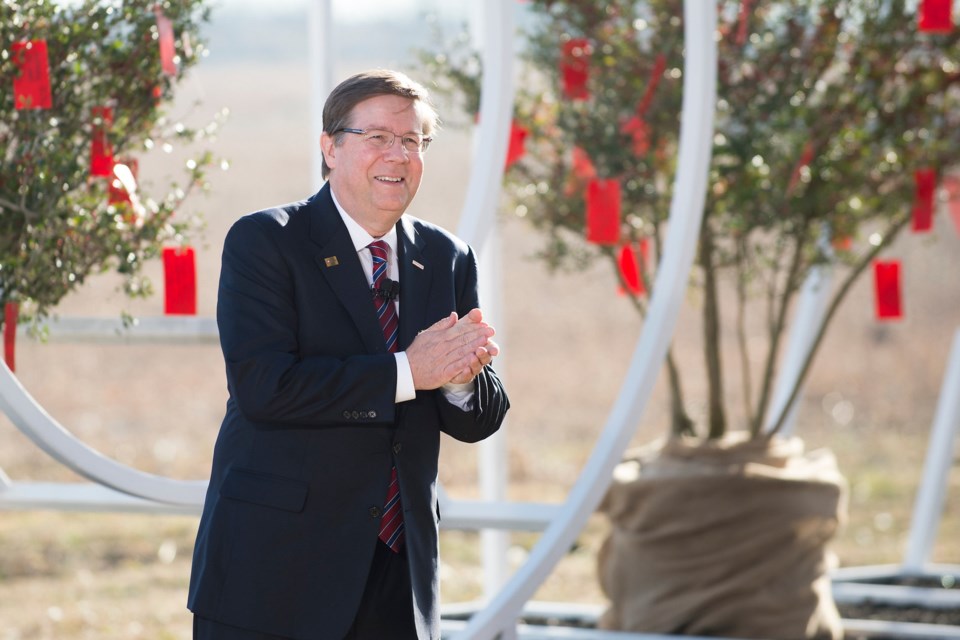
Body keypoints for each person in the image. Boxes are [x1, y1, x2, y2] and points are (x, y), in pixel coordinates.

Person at [188, 69, 509, 640]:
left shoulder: (446, 257)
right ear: (330, 148)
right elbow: (266, 388)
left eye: (412, 141)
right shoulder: (266, 241)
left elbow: (477, 418)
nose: (399, 154)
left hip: (398, 577)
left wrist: (460, 378)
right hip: (275, 572)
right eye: (378, 137)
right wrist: (411, 371)